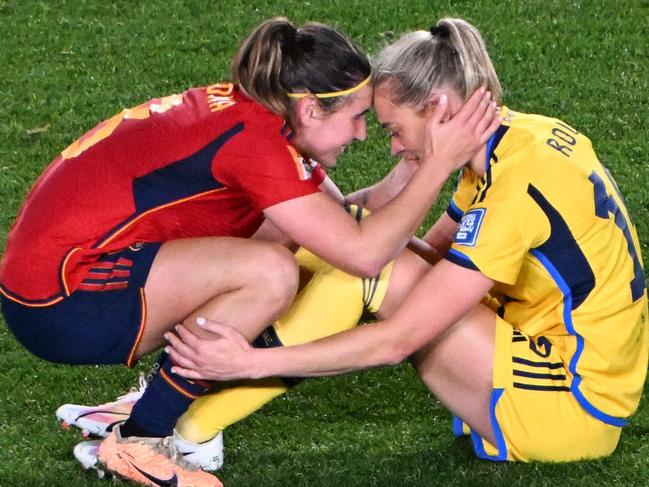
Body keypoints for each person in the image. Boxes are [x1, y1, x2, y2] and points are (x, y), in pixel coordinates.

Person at [0, 15, 498, 486]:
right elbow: (363, 255)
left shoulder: (257, 119)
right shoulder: (258, 144)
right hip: (62, 303)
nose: (364, 133)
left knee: (287, 240)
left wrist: (416, 163)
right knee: (270, 273)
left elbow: (335, 222)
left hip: (62, 277)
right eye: (357, 117)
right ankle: (139, 439)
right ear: (309, 109)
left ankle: (147, 402)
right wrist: (438, 166)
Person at [165, 17, 649, 463]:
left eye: (394, 130)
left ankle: (189, 431)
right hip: (555, 365)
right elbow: (433, 256)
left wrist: (250, 363)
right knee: (353, 237)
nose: (394, 146)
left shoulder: (513, 188)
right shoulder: (521, 137)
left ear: (439, 109)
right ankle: (180, 387)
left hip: (568, 406)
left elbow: (398, 340)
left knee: (365, 268)